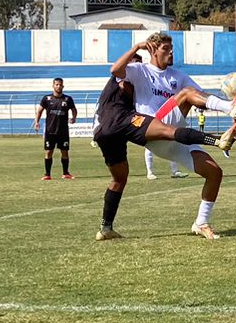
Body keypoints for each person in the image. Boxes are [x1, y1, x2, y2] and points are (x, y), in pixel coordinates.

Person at [119, 33, 236, 239]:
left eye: (171, 48)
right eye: (166, 48)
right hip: (153, 130)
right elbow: (115, 70)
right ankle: (229, 111)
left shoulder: (178, 76)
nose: (171, 52)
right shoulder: (140, 70)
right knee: (186, 93)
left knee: (214, 173)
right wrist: (136, 47)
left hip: (175, 139)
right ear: (153, 50)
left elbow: (203, 98)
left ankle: (201, 223)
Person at [90, 66, 222, 241]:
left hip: (106, 132)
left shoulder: (124, 92)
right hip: (120, 123)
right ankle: (217, 140)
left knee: (119, 178)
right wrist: (216, 140)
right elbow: (118, 71)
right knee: (168, 130)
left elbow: (198, 94)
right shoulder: (121, 85)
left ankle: (105, 228)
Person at [33, 77, 78, 180]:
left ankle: (66, 173)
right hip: (50, 130)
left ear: (63, 86)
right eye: (56, 84)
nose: (58, 86)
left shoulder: (67, 99)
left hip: (63, 131)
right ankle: (47, 174)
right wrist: (36, 122)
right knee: (49, 152)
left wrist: (74, 117)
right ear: (53, 86)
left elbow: (74, 110)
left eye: (60, 85)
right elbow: (39, 111)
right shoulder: (47, 99)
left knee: (64, 152)